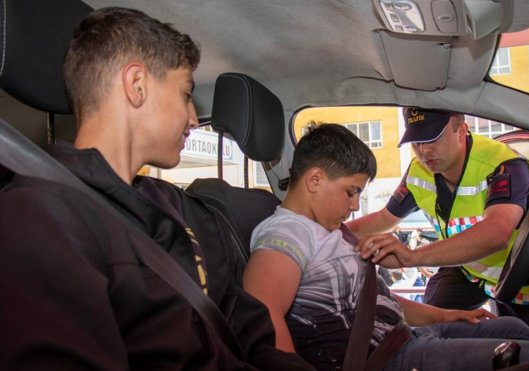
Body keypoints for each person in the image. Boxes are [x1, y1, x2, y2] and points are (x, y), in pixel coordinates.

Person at [0, 7, 312, 370]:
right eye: (185, 94)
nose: (194, 118)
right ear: (136, 86)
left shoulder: (185, 209)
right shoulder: (39, 220)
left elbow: (248, 332)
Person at [242, 123, 529, 370]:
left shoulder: (330, 230)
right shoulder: (287, 232)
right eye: (351, 192)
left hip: (408, 336)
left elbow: (379, 301)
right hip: (388, 359)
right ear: (314, 179)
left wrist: (447, 315)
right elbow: (263, 313)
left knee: (513, 328)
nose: (354, 207)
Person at [347, 107, 529, 342]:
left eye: (432, 138)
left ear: (461, 130)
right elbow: (384, 218)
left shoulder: (505, 165)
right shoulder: (418, 172)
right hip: (464, 269)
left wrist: (411, 257)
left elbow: (497, 232)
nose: (424, 151)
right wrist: (331, 229)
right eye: (417, 142)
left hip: (514, 279)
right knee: (434, 331)